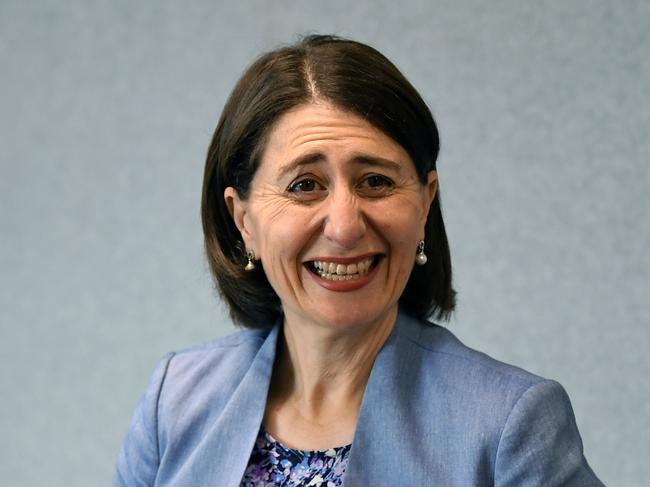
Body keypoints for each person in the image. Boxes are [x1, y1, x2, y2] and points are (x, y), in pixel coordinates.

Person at [113, 35, 603, 486]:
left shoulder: (509, 425)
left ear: (425, 202)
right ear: (242, 219)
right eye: (304, 185)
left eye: (375, 181)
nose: (345, 226)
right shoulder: (175, 400)